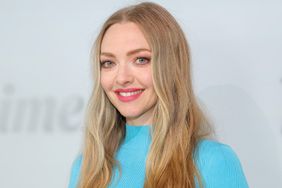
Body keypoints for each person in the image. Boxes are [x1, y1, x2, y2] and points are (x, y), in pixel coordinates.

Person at [68, 2, 248, 188]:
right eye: (108, 63)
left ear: (171, 66)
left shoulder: (213, 162)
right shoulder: (86, 167)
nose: (122, 78)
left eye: (141, 59)